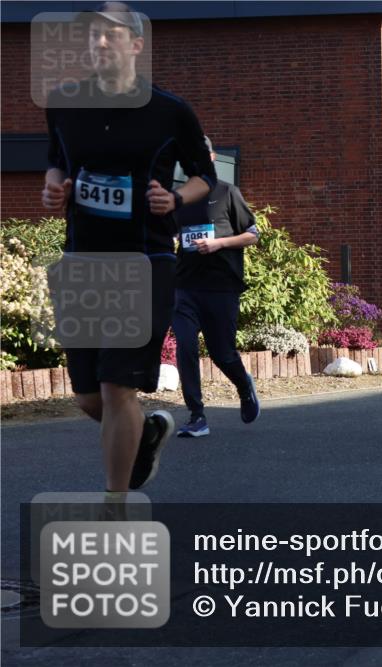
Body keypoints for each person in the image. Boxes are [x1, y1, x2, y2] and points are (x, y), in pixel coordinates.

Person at [41, 2, 215, 492]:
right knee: (89, 398)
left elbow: (205, 175)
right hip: (82, 262)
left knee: (118, 386)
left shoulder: (170, 111)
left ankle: (115, 506)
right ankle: (146, 434)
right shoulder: (64, 104)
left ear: (136, 45)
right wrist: (53, 186)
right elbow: (57, 162)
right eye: (93, 35)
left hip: (144, 263)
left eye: (111, 35)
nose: (99, 43)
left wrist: (175, 198)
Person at [172, 137, 260, 437]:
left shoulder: (227, 193)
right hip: (185, 286)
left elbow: (253, 234)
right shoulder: (179, 198)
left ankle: (244, 386)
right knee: (185, 346)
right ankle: (197, 416)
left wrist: (218, 243)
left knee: (222, 353)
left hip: (220, 287)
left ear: (211, 157)